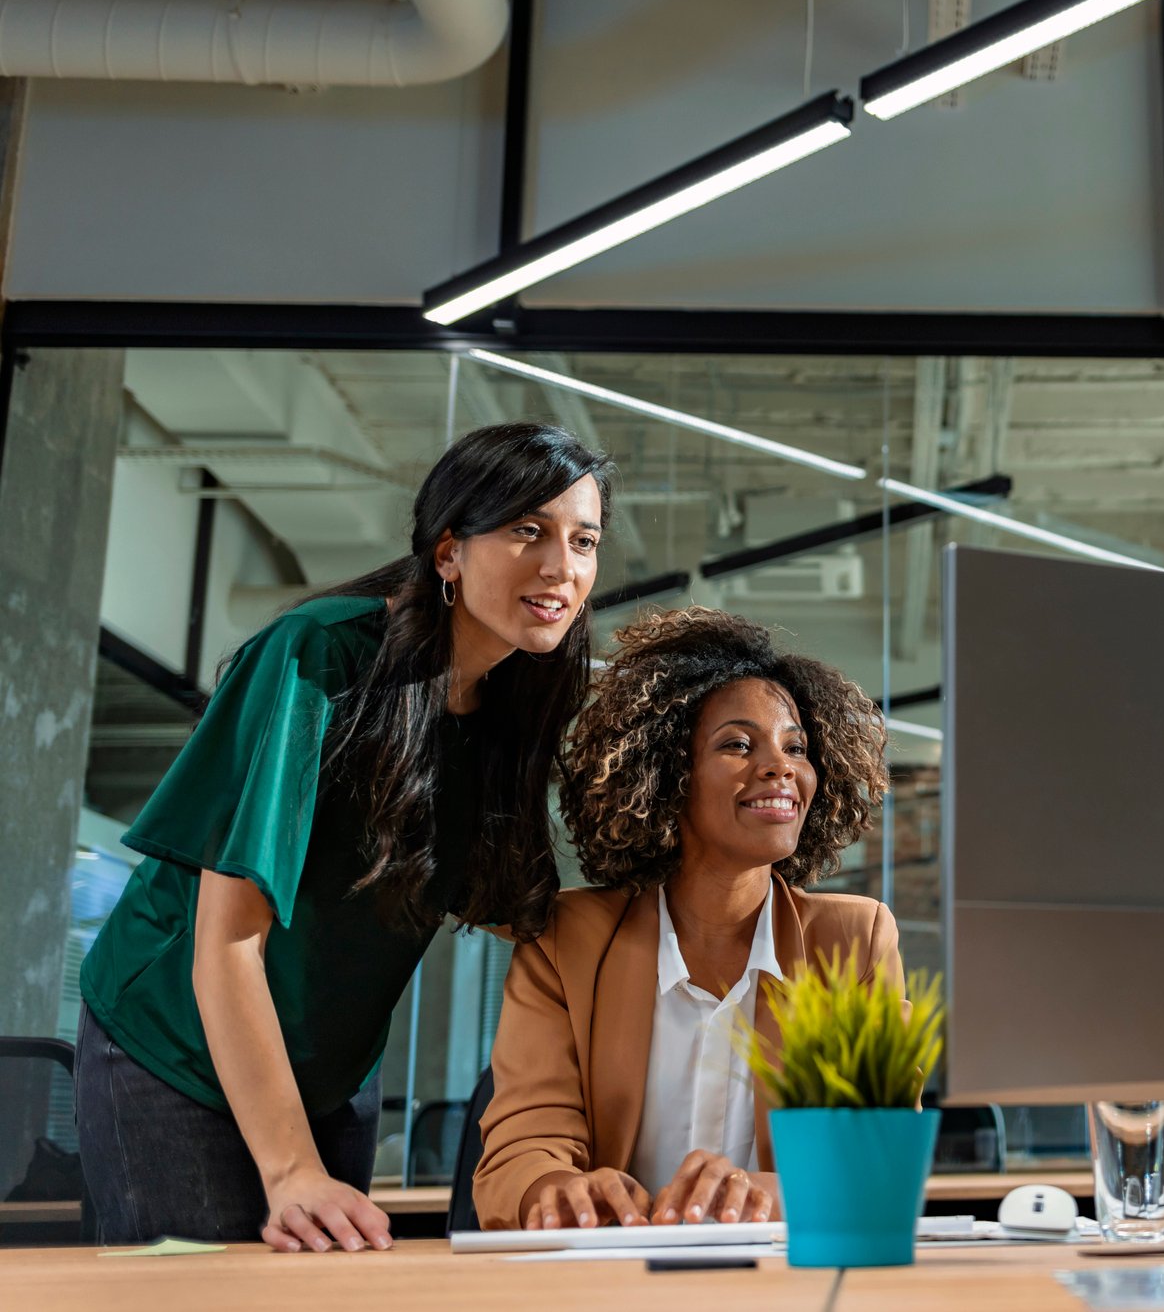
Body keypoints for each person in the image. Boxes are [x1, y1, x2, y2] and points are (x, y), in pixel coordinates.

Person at [75, 421, 609, 1251]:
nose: (561, 567)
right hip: (176, 1050)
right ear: (447, 553)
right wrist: (290, 1169)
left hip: (329, 1069)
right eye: (526, 531)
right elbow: (227, 940)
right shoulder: (321, 656)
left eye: (583, 540)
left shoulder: (513, 697)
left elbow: (511, 911)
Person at [473, 607, 898, 1231]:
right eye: (736, 744)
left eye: (796, 746)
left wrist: (764, 1194)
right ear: (669, 774)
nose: (780, 766)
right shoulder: (568, 942)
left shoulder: (854, 941)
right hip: (609, 1283)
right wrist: (558, 1189)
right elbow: (522, 1144)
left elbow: (875, 1159)